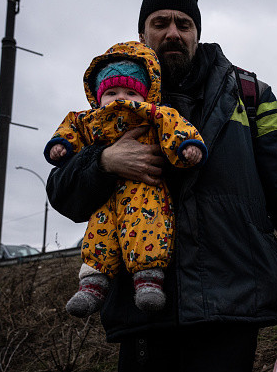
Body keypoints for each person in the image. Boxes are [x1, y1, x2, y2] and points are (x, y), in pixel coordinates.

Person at [46, 0, 277, 372]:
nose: (173, 32)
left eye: (184, 23)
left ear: (198, 33)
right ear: (142, 33)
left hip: (229, 302)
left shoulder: (249, 93)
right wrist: (104, 161)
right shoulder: (108, 101)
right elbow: (61, 193)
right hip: (142, 308)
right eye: (160, 23)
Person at [44, 41, 207, 318]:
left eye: (131, 92)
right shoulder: (88, 120)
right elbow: (70, 129)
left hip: (145, 192)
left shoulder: (156, 114)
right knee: (100, 234)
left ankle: (148, 281)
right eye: (112, 92)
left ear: (146, 96)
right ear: (98, 95)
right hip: (106, 197)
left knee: (148, 228)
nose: (121, 98)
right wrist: (62, 145)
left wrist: (187, 146)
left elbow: (176, 126)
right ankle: (92, 285)